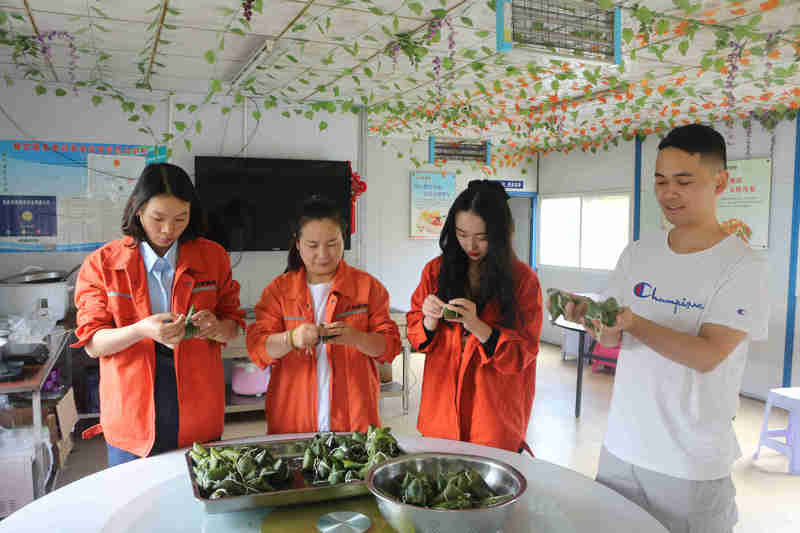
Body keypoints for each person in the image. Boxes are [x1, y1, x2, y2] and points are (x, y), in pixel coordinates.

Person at [564, 124, 768, 533]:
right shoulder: (639, 252)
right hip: (622, 448)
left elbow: (707, 355)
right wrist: (592, 320)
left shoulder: (742, 265)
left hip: (688, 463)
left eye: (683, 181)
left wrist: (635, 323)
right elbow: (612, 336)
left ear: (720, 183)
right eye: (660, 181)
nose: (668, 193)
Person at [73, 163, 245, 467]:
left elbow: (233, 326)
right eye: (158, 218)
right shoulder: (103, 263)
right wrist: (141, 330)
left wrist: (215, 327)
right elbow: (93, 344)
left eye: (180, 218)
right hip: (131, 412)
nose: (168, 230)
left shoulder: (212, 257)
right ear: (138, 210)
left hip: (199, 407)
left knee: (197, 489)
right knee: (135, 494)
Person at [406, 180, 543, 453]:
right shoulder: (436, 271)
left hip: (492, 417)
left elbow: (523, 354)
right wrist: (429, 321)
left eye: (482, 236)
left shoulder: (523, 280)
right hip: (441, 414)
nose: (471, 245)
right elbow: (416, 335)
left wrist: (479, 327)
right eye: (462, 234)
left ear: (501, 234)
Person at [246, 195, 402, 434]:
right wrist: (291, 339)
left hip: (355, 421)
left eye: (332, 244)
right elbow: (258, 349)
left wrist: (357, 338)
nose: (323, 254)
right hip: (292, 422)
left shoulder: (367, 287)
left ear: (343, 240)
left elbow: (390, 347)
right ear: (297, 244)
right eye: (312, 245)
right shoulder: (279, 291)